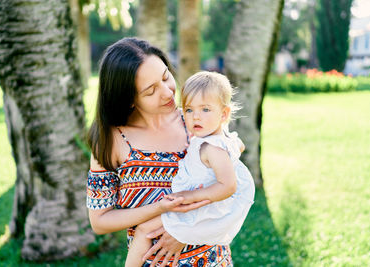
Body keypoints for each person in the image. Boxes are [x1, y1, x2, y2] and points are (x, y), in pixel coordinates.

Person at [86, 38, 237, 267]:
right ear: (128, 100)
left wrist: (183, 231)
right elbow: (100, 221)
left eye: (166, 76)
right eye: (150, 91)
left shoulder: (197, 123)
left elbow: (231, 190)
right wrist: (159, 209)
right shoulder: (109, 142)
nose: (168, 92)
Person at [124, 71, 255, 267]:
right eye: (189, 110)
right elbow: (238, 145)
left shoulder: (212, 148)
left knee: (143, 230)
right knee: (145, 229)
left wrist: (187, 197)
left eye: (205, 110)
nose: (196, 117)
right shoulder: (215, 139)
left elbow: (228, 186)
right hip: (199, 205)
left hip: (198, 209)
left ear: (224, 114)